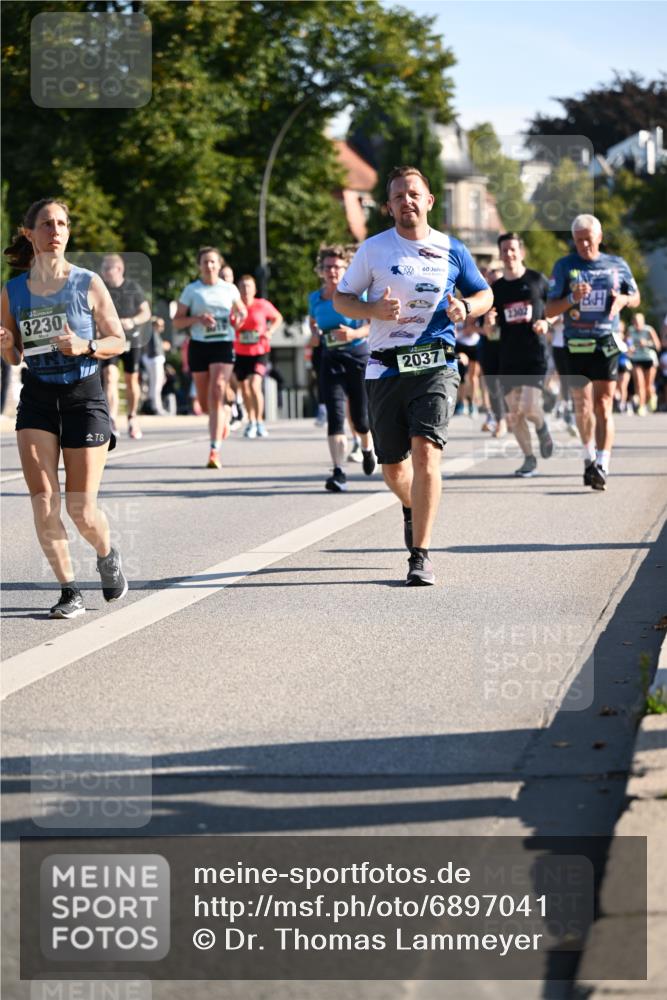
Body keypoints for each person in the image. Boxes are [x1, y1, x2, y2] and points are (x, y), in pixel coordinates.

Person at [335, 165, 492, 585]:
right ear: (388, 207)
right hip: (385, 367)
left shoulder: (451, 249)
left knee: (426, 452)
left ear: (429, 201)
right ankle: (411, 504)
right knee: (393, 470)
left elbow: (483, 292)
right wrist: (371, 311)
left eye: (414, 193)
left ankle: (419, 555)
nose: (407, 200)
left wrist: (467, 308)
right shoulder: (373, 250)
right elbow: (341, 298)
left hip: (436, 362)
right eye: (399, 195)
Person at [1, 198, 128, 618]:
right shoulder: (13, 290)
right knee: (42, 498)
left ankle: (107, 554)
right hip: (37, 397)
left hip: (83, 395)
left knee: (80, 507)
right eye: (47, 224)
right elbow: (15, 355)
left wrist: (86, 345)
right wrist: (6, 346)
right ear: (29, 233)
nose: (56, 230)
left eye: (62, 223)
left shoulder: (88, 282)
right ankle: (68, 590)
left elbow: (118, 340)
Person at [546, 214, 640, 491]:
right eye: (579, 240)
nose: (584, 245)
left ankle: (603, 464)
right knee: (583, 405)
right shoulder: (564, 266)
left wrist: (623, 299)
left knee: (603, 404)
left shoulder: (617, 264)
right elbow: (550, 310)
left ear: (599, 237)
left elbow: (635, 296)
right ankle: (588, 456)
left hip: (606, 341)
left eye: (589, 239)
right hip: (576, 343)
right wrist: (573, 298)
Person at [309, 244, 376, 492]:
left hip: (358, 356)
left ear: (346, 268)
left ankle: (367, 449)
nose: (332, 271)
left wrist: (353, 333)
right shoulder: (315, 299)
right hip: (330, 359)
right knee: (335, 417)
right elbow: (313, 330)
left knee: (360, 419)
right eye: (327, 267)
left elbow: (373, 325)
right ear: (321, 270)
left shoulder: (358, 295)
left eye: (337, 267)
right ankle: (338, 472)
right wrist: (315, 335)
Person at [172, 247, 246, 468]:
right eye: (205, 262)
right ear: (200, 266)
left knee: (218, 387)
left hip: (223, 344)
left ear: (219, 264)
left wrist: (240, 317)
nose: (209, 266)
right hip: (199, 346)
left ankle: (214, 450)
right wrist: (197, 319)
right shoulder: (192, 290)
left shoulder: (229, 289)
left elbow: (242, 311)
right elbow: (177, 321)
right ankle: (222, 413)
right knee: (206, 404)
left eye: (213, 262)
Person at [487, 232, 553, 477]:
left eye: (513, 249)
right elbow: (490, 332)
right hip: (508, 357)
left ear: (521, 252)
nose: (509, 254)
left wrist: (547, 323)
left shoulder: (537, 280)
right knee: (514, 415)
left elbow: (555, 308)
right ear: (501, 255)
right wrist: (490, 324)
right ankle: (529, 459)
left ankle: (543, 427)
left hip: (534, 355)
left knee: (529, 406)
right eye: (504, 250)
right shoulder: (497, 289)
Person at [99, 253, 151, 440]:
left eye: (107, 268)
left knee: (131, 380)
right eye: (102, 268)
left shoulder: (132, 287)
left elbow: (146, 312)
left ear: (118, 269)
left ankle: (132, 417)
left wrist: (132, 321)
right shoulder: (101, 289)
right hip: (110, 340)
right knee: (110, 376)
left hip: (132, 340)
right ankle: (111, 419)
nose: (103, 272)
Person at [233, 275, 282, 438]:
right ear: (238, 289)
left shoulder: (262, 305)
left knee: (254, 384)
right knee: (245, 388)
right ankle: (251, 421)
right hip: (240, 352)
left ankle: (260, 421)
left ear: (254, 289)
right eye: (242, 286)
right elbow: (230, 325)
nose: (246, 290)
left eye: (249, 286)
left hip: (260, 351)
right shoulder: (234, 306)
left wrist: (270, 331)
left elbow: (277, 317)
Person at [626, 312, 660, 415]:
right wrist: (629, 348)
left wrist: (647, 343)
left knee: (648, 385)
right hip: (637, 358)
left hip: (649, 358)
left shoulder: (648, 330)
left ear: (643, 322)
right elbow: (627, 342)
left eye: (639, 322)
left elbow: (658, 346)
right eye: (635, 322)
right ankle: (641, 406)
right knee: (639, 383)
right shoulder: (630, 330)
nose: (637, 324)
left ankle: (652, 396)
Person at [142, 315, 167, 415]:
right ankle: (156, 407)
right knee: (156, 385)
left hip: (154, 359)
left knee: (157, 383)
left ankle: (154, 405)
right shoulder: (152, 332)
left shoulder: (154, 334)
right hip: (155, 360)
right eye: (160, 324)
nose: (162, 327)